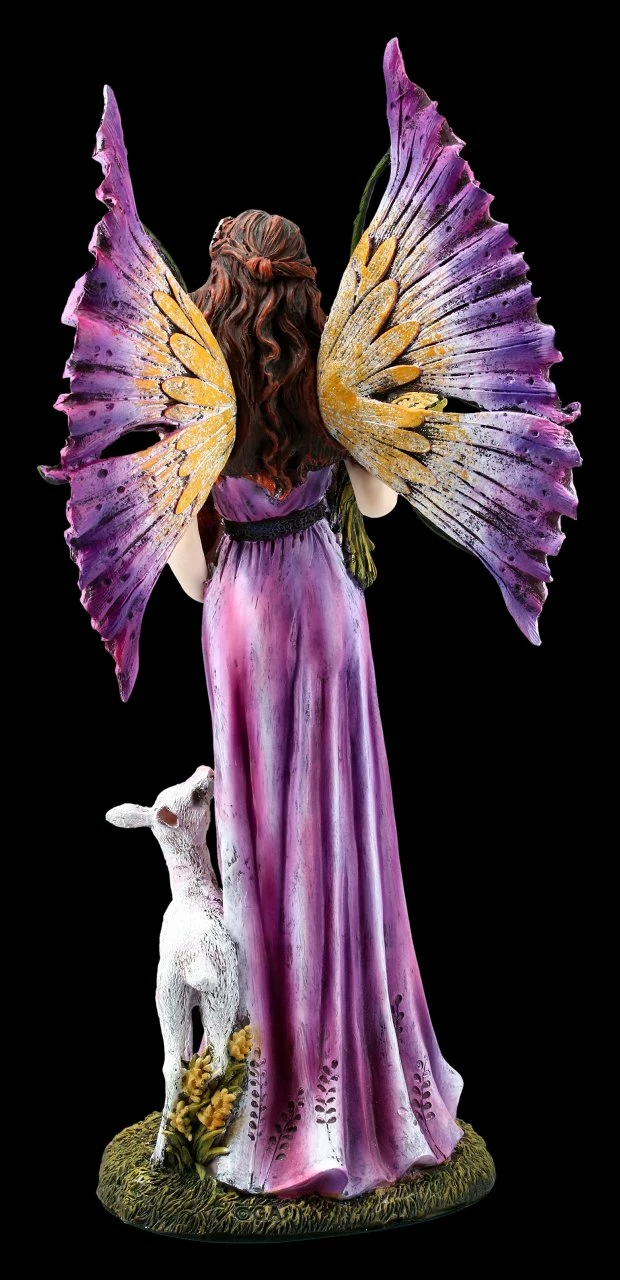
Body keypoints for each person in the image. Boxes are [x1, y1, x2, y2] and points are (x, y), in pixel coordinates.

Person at [166, 209, 464, 1199]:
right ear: (304, 291)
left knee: (260, 843)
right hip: (326, 606)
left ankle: (278, 1096)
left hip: (244, 616)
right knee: (339, 832)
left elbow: (193, 579)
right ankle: (361, 1086)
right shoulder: (332, 380)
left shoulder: (196, 398)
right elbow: (377, 503)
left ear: (215, 293)